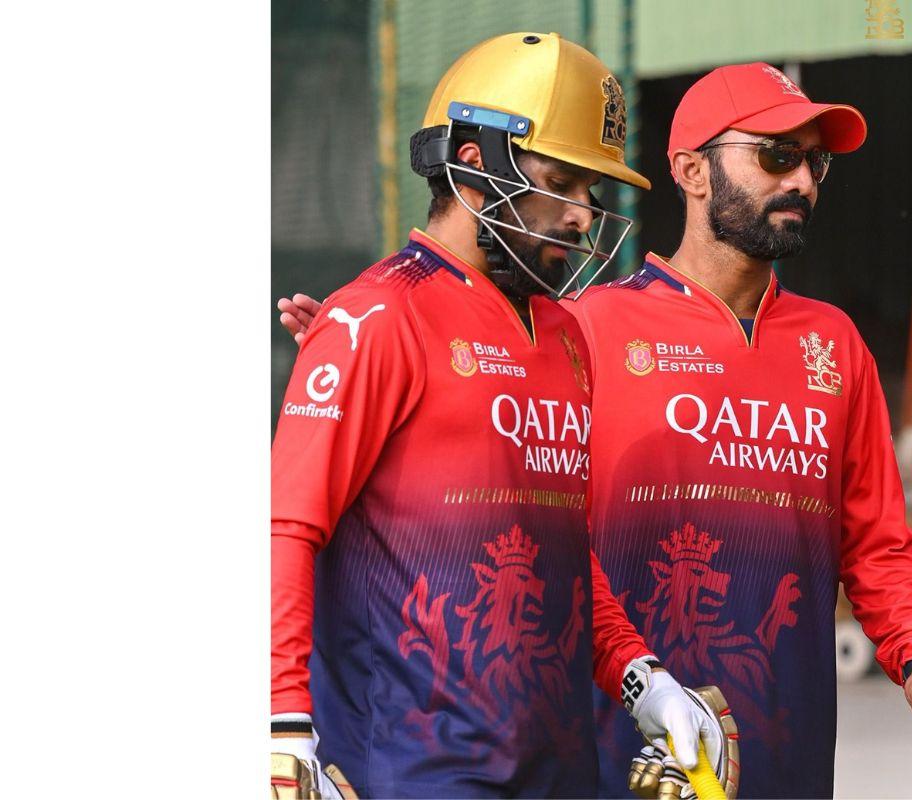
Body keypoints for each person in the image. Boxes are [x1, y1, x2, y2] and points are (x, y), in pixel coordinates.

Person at [281, 62, 912, 799]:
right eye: (778, 155)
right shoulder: (587, 326)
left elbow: (878, 546)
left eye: (817, 162)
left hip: (781, 756)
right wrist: (369, 360)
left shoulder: (833, 346)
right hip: (603, 760)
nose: (804, 182)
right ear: (691, 170)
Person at [270, 32, 724, 799]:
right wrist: (282, 723)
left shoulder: (566, 336)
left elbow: (561, 557)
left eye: (592, 191)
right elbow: (288, 528)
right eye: (562, 182)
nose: (584, 216)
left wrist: (643, 679)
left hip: (557, 768)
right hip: (413, 772)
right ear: (477, 163)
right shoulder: (376, 318)